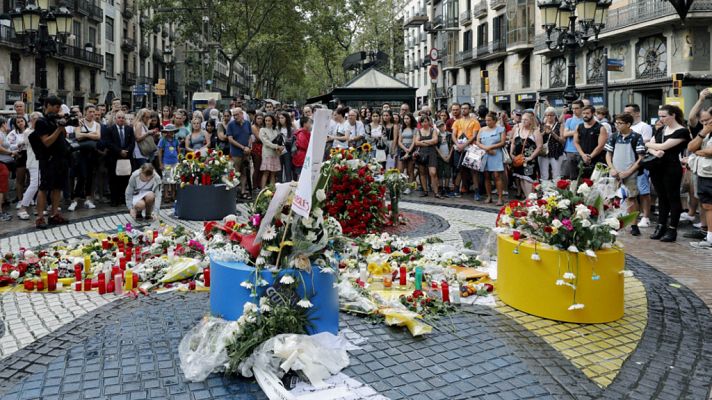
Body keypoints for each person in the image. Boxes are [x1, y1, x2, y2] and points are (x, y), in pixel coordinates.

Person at [646, 104, 691, 242]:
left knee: (673, 197)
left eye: (664, 116)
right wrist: (654, 150)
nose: (661, 119)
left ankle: (672, 229)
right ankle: (661, 226)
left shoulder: (682, 131)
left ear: (673, 115)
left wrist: (651, 145)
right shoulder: (661, 129)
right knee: (661, 197)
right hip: (657, 167)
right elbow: (650, 146)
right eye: (659, 116)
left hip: (671, 168)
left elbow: (663, 146)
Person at [28, 96, 70, 228]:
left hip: (60, 158)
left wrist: (63, 124)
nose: (58, 110)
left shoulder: (56, 119)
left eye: (59, 107)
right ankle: (40, 218)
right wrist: (58, 128)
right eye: (56, 107)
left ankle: (54, 215)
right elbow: (46, 142)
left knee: (57, 187)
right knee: (44, 188)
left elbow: (64, 135)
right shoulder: (41, 122)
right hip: (48, 160)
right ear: (48, 105)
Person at [605, 113, 645, 236]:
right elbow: (608, 154)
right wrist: (611, 168)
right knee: (612, 197)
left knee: (631, 198)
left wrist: (629, 171)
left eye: (620, 123)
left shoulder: (636, 137)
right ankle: (612, 221)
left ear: (628, 124)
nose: (617, 125)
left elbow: (641, 157)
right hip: (615, 172)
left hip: (630, 172)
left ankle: (634, 224)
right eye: (616, 123)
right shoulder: (614, 136)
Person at [625, 103, 654, 228]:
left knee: (643, 191)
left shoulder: (644, 127)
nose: (627, 115)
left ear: (637, 113)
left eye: (629, 113)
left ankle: (646, 216)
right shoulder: (625, 127)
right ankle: (631, 216)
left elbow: (646, 143)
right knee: (629, 192)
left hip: (640, 162)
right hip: (626, 162)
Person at [68, 104, 101, 211]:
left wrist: (85, 134)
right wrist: (91, 134)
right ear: (85, 112)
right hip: (81, 153)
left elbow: (98, 136)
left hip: (92, 153)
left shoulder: (97, 124)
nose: (92, 114)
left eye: (93, 112)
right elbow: (77, 136)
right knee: (81, 176)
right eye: (90, 112)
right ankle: (75, 200)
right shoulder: (80, 122)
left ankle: (88, 199)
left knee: (90, 177)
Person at [688, 106, 712, 248]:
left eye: (707, 120)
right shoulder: (705, 132)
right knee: (707, 205)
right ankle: (709, 237)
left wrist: (700, 151)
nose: (704, 124)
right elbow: (691, 147)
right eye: (702, 121)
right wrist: (703, 133)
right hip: (703, 173)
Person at [104, 111, 135, 207]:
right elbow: (109, 143)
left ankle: (124, 199)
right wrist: (119, 151)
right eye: (119, 117)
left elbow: (132, 142)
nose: (121, 119)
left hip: (127, 158)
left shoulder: (129, 129)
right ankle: (114, 200)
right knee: (114, 180)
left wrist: (127, 151)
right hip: (114, 158)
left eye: (123, 117)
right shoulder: (110, 129)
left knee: (125, 180)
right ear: (115, 119)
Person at [451, 102, 481, 199]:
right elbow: (453, 134)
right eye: (462, 108)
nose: (464, 110)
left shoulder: (475, 122)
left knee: (473, 170)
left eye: (466, 108)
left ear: (470, 110)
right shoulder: (457, 122)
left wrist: (465, 144)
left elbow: (474, 136)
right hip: (459, 148)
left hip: (471, 148)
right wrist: (457, 144)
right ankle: (456, 189)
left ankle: (477, 191)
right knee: (458, 169)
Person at [510, 111, 542, 198]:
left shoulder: (535, 131)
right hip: (518, 159)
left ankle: (530, 199)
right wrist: (511, 153)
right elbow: (513, 142)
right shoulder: (517, 129)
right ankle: (527, 198)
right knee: (521, 178)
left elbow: (539, 147)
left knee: (528, 179)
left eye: (526, 120)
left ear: (531, 121)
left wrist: (530, 157)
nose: (523, 121)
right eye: (522, 119)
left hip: (529, 161)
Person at [477, 112, 506, 205]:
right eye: (486, 120)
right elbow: (478, 142)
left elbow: (502, 142)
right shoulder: (482, 130)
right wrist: (486, 148)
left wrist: (491, 147)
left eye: (489, 120)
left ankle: (500, 197)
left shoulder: (500, 129)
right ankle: (489, 196)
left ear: (494, 120)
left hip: (496, 154)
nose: (487, 122)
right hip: (485, 154)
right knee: (486, 176)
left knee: (497, 175)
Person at [17, 113, 42, 220]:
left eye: (39, 119)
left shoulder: (42, 130)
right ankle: (22, 207)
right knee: (34, 184)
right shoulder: (28, 132)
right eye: (34, 119)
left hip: (43, 161)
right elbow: (33, 143)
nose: (36, 121)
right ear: (30, 120)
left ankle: (38, 207)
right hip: (33, 161)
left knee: (41, 185)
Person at [574, 105, 608, 178]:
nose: (585, 115)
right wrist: (583, 155)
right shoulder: (579, 126)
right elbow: (576, 142)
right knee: (581, 185)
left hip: (597, 160)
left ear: (593, 114)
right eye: (583, 113)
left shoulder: (600, 128)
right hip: (582, 159)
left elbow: (601, 146)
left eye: (587, 113)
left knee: (596, 184)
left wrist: (590, 157)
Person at [227, 108, 252, 199]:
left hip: (246, 152)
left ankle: (243, 191)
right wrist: (242, 147)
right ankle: (233, 193)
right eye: (234, 115)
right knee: (235, 172)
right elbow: (230, 139)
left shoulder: (247, 123)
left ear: (242, 114)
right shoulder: (231, 125)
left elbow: (249, 136)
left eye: (237, 115)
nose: (235, 117)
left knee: (244, 172)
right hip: (236, 152)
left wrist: (249, 147)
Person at [413, 115, 441, 198]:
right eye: (422, 121)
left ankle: (436, 192)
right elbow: (416, 143)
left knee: (433, 172)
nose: (424, 123)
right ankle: (425, 191)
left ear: (429, 122)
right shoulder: (418, 131)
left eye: (426, 121)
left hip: (431, 152)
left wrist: (423, 141)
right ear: (420, 123)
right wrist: (429, 142)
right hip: (421, 153)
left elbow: (435, 140)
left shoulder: (433, 130)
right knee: (422, 172)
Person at [538, 107, 565, 181]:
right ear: (545, 116)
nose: (549, 117)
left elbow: (563, 141)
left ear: (555, 116)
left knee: (556, 174)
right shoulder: (541, 125)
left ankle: (557, 191)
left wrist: (552, 133)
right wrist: (544, 133)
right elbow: (536, 139)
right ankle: (544, 190)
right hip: (543, 153)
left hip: (556, 152)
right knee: (544, 175)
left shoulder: (560, 125)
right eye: (547, 115)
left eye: (551, 115)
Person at [7, 116, 28, 209]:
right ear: (15, 124)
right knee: (20, 179)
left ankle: (29, 198)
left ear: (25, 121)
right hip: (20, 155)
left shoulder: (30, 130)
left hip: (31, 154)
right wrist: (18, 145)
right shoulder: (13, 133)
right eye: (18, 122)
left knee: (32, 179)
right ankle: (20, 199)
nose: (20, 123)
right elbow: (8, 145)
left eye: (22, 121)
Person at [562, 100, 585, 179]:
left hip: (583, 151)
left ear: (582, 108)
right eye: (573, 108)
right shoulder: (569, 120)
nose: (574, 111)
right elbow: (565, 134)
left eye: (577, 108)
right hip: (570, 150)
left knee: (583, 175)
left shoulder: (586, 120)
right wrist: (578, 131)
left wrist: (572, 132)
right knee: (572, 176)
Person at [259, 114, 283, 188]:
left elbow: (280, 140)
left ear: (272, 121)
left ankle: (272, 191)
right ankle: (262, 190)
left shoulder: (276, 130)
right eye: (266, 120)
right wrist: (276, 146)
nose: (267, 122)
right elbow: (266, 142)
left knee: (273, 173)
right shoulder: (262, 130)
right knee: (266, 172)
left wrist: (280, 147)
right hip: (267, 153)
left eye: (269, 120)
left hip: (275, 153)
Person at [157, 124, 180, 201]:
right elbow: (159, 152)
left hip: (175, 162)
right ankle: (166, 195)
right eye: (169, 132)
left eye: (172, 132)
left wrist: (179, 160)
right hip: (166, 162)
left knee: (174, 179)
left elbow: (178, 151)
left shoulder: (176, 140)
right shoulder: (163, 140)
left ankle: (173, 194)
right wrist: (160, 163)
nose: (171, 133)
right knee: (166, 179)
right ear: (166, 132)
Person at [0, 117, 16, 221]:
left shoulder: (3, 134)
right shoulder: (0, 133)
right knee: (0, 189)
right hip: (1, 164)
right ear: (3, 124)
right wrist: (10, 153)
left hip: (3, 163)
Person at [398, 113, 417, 191]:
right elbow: (399, 141)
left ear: (411, 119)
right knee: (401, 170)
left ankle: (409, 186)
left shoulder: (414, 129)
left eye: (407, 118)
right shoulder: (402, 128)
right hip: (403, 150)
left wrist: (409, 151)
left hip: (411, 150)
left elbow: (414, 141)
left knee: (410, 170)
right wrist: (405, 149)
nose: (406, 120)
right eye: (405, 118)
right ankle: (402, 185)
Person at [276, 112, 294, 183]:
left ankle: (289, 184)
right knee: (279, 169)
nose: (281, 120)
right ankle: (279, 185)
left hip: (287, 150)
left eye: (282, 118)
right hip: (278, 150)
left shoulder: (291, 129)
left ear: (286, 118)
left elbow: (293, 139)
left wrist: (286, 140)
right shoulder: (277, 128)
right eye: (279, 118)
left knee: (288, 169)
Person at [250, 113, 264, 190]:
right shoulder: (253, 127)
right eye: (258, 118)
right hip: (256, 148)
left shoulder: (262, 126)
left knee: (262, 167)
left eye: (261, 118)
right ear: (255, 119)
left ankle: (259, 184)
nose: (259, 120)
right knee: (257, 167)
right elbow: (259, 138)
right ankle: (254, 185)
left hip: (263, 148)